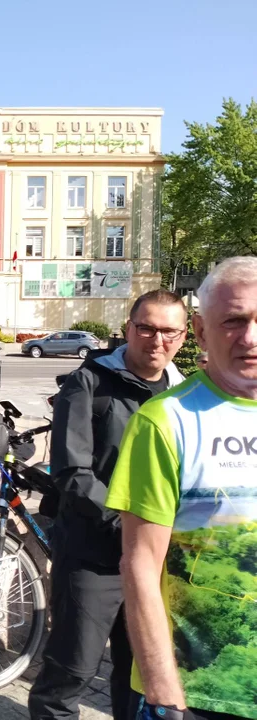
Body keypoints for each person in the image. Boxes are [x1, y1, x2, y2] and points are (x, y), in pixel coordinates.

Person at [106, 257, 257, 720]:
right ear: (202, 330)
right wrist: (164, 690)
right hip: (203, 691)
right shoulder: (165, 421)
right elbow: (140, 564)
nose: (250, 337)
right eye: (233, 321)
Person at [29, 290, 187, 720]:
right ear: (128, 329)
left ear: (184, 336)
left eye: (169, 331)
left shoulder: (182, 393)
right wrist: (130, 526)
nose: (157, 340)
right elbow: (72, 472)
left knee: (139, 676)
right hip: (93, 557)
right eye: (146, 328)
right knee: (70, 674)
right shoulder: (89, 383)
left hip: (155, 563)